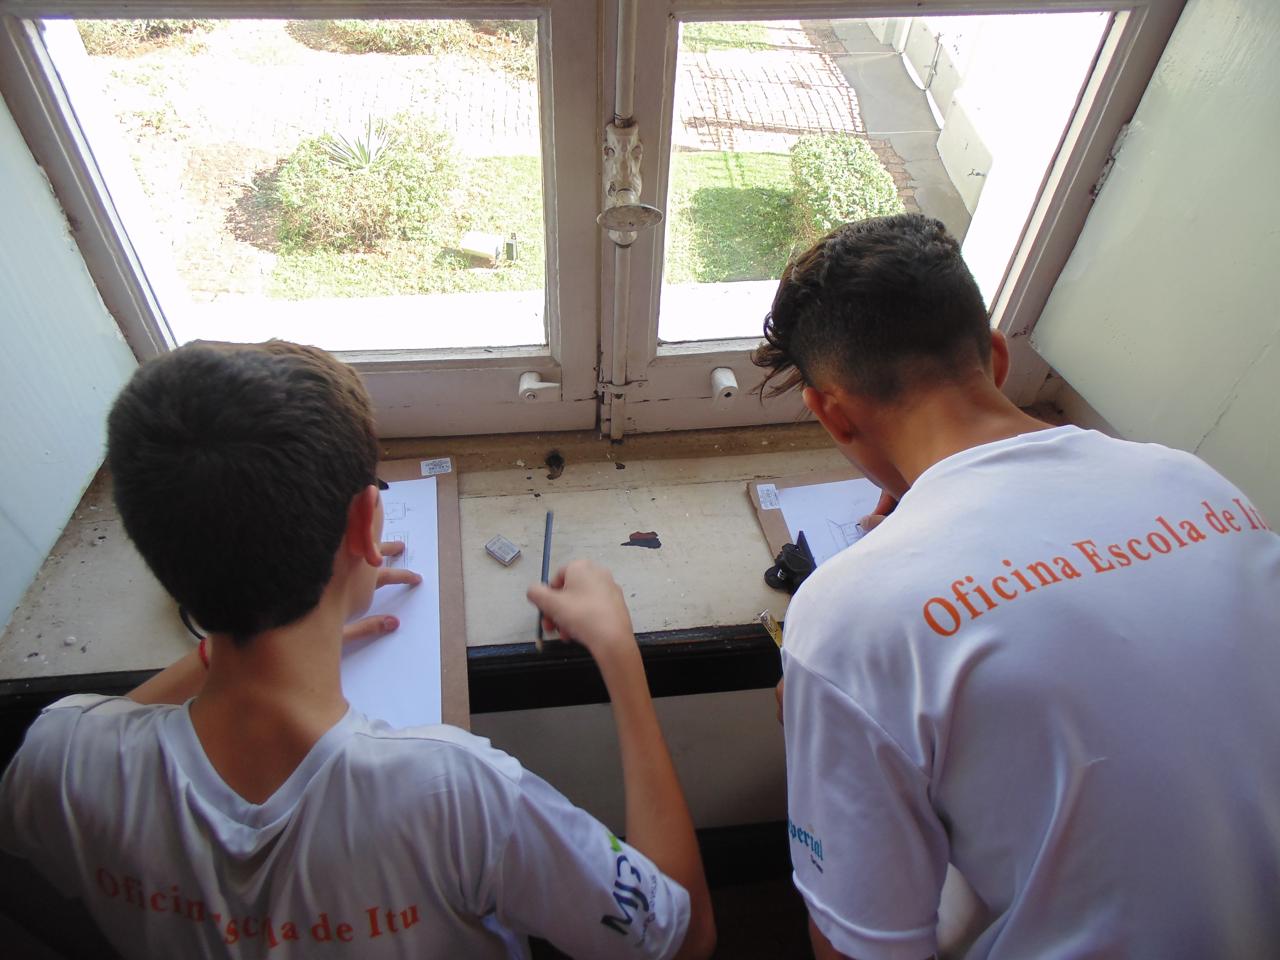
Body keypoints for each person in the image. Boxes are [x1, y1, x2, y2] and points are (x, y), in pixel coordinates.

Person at [0, 340, 715, 960]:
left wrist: (251, 643)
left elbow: (88, 765)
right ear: (370, 523)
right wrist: (619, 654)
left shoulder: (59, 762)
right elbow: (682, 940)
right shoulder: (460, 797)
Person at [754, 213, 1280, 959]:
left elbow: (862, 951)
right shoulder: (1194, 482)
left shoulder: (847, 617)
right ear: (996, 357)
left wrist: (829, 693)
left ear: (832, 413)